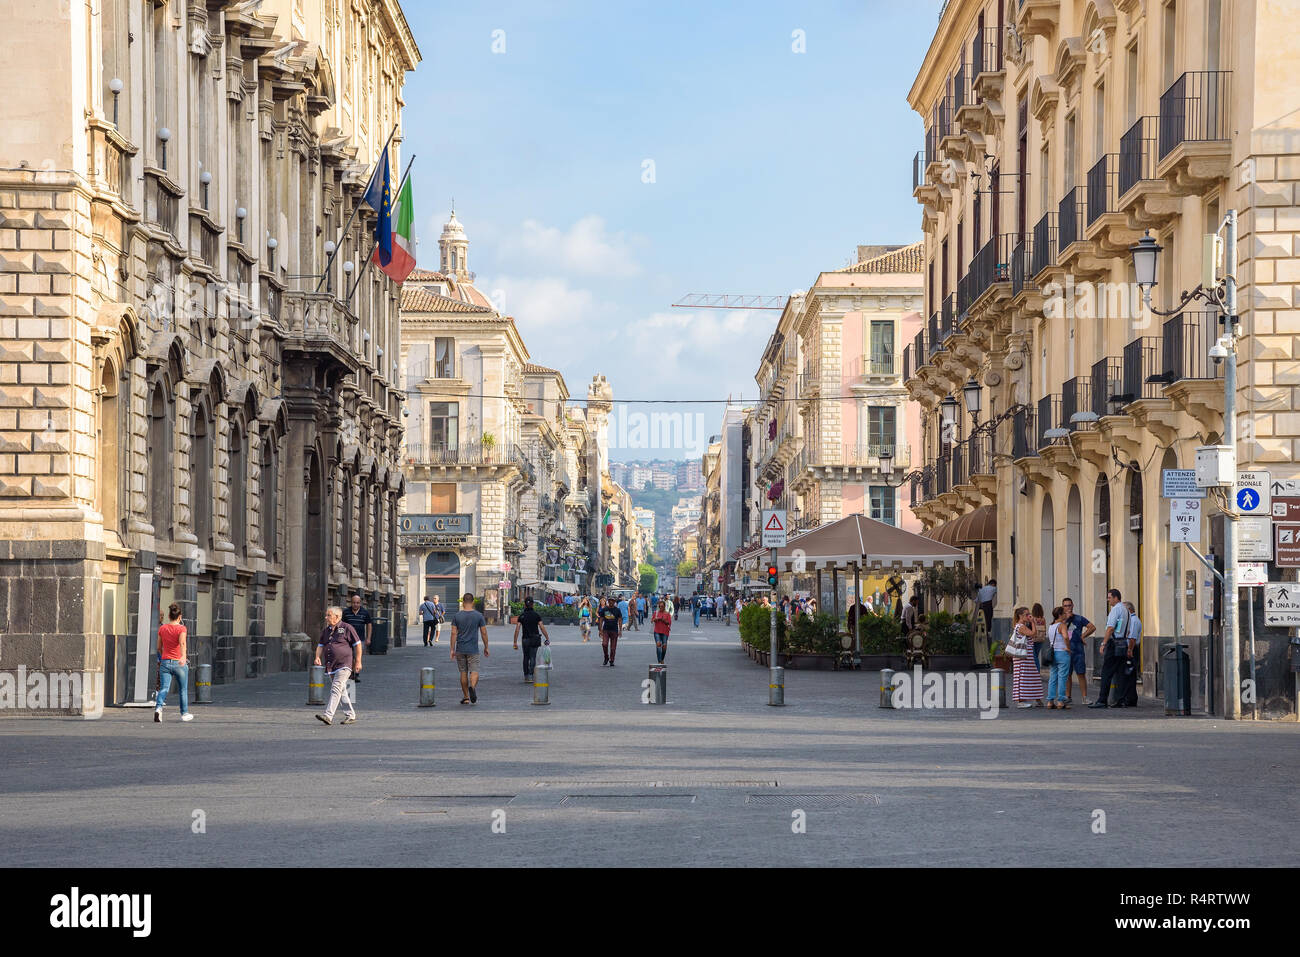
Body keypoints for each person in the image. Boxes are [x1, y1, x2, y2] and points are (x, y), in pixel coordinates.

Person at [314, 605, 361, 725]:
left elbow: (357, 644)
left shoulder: (347, 628)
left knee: (336, 688)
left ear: (337, 617)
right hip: (331, 665)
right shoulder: (326, 630)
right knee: (342, 690)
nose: (326, 617)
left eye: (328, 615)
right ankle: (350, 715)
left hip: (344, 664)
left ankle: (328, 715)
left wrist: (358, 661)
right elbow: (320, 645)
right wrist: (317, 657)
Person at [1090, 589, 1131, 709]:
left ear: (1116, 597)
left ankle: (1102, 700)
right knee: (1120, 673)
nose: (1108, 600)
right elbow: (1127, 629)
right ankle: (1121, 700)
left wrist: (1103, 643)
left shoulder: (1115, 610)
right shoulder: (1126, 610)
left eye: (1109, 598)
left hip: (1114, 643)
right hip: (1123, 642)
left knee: (1106, 672)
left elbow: (1110, 628)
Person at [154, 602, 194, 723]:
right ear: (180, 616)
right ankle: (184, 713)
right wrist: (183, 657)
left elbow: (158, 646)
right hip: (179, 663)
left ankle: (158, 708)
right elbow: (182, 643)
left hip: (165, 662)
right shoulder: (181, 628)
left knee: (164, 688)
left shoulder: (162, 628)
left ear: (169, 616)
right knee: (182, 689)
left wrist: (162, 657)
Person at [450, 592, 489, 705]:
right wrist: (486, 647)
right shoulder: (479, 616)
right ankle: (472, 686)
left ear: (463, 602)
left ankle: (466, 697)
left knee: (463, 672)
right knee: (474, 670)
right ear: (472, 602)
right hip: (473, 649)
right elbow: (484, 632)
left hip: (460, 648)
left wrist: (452, 649)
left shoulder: (457, 616)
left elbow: (453, 633)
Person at [1060, 597, 1095, 705]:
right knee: (1067, 674)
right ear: (1062, 607)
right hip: (1066, 649)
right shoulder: (1060, 620)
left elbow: (1092, 627)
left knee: (1081, 673)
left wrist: (1082, 636)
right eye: (1065, 606)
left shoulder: (1079, 619)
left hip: (1078, 650)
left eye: (1069, 605)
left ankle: (1084, 697)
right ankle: (1068, 696)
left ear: (1073, 606)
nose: (1068, 608)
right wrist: (1065, 619)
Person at [1010, 606, 1046, 708]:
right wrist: (1033, 622)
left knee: (1032, 677)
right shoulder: (1021, 626)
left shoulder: (1022, 625)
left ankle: (1037, 699)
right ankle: (1021, 701)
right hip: (1023, 656)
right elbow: (1034, 634)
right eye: (1026, 614)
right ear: (1020, 616)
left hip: (1027, 655)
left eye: (1029, 614)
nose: (1029, 616)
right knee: (1023, 677)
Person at [512, 597, 549, 683]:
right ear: (533, 604)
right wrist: (547, 637)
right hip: (535, 639)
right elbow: (542, 627)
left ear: (525, 605)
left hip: (525, 639)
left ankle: (526, 676)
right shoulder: (536, 615)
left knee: (526, 657)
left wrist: (515, 641)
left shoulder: (522, 616)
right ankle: (531, 676)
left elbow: (517, 628)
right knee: (533, 657)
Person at [1045, 605, 1072, 709]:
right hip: (1062, 652)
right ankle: (1061, 700)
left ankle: (1050, 700)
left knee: (1053, 677)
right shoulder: (1062, 625)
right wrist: (1068, 648)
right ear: (1060, 615)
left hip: (1053, 653)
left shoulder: (1051, 626)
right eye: (1064, 613)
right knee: (1062, 677)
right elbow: (1065, 637)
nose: (1066, 614)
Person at [341, 593, 373, 680]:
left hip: (360, 639)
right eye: (354, 602)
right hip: (347, 639)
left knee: (357, 656)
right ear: (351, 603)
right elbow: (342, 625)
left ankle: (356, 674)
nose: (355, 604)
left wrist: (368, 638)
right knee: (349, 656)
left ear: (360, 603)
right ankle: (351, 673)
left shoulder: (365, 612)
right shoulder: (346, 612)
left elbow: (369, 625)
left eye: (357, 603)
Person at [1120, 601, 1143, 707]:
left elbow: (1132, 638)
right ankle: (1129, 697)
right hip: (1130, 648)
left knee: (1130, 675)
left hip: (1132, 648)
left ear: (1129, 610)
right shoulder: (1130, 620)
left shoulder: (1133, 621)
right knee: (1127, 675)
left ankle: (1130, 699)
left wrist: (1129, 650)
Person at [598, 596, 622, 666]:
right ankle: (606, 657)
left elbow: (620, 620)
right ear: (608, 601)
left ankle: (612, 660)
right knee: (604, 644)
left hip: (614, 630)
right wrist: (600, 630)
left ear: (614, 602)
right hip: (606, 630)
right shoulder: (604, 609)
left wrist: (620, 630)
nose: (611, 602)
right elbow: (601, 619)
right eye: (610, 600)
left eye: (613, 600)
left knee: (613, 648)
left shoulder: (617, 610)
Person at [1031, 602, 1049, 676]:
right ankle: (1036, 672)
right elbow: (1044, 628)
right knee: (1036, 656)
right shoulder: (1043, 619)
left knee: (1033, 657)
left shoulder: (1032, 619)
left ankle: (1036, 673)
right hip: (1040, 639)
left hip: (1033, 639)